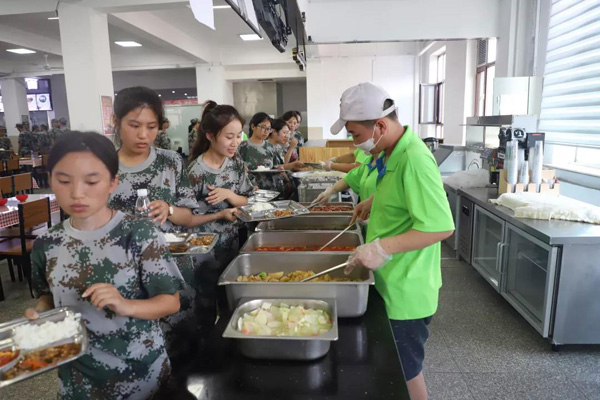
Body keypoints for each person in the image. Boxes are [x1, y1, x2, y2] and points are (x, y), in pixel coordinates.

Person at [27, 131, 183, 399]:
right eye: (63, 181)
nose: (77, 193)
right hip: (78, 383)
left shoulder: (139, 233)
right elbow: (47, 296)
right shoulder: (46, 244)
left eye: (91, 181)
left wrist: (125, 305)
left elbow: (171, 302)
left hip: (142, 378)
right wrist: (39, 315)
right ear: (50, 180)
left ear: (113, 183)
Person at [332, 82, 454, 400]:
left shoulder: (414, 158)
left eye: (356, 135)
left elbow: (441, 227)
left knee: (405, 373)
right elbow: (404, 196)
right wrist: (374, 201)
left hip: (407, 290)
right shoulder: (391, 152)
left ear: (381, 126)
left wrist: (381, 247)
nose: (355, 143)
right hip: (391, 282)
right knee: (391, 368)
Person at [107, 86, 219, 366]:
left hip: (173, 274)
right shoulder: (104, 168)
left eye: (151, 126)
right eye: (134, 125)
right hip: (125, 280)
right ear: (116, 121)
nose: (143, 135)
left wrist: (168, 209)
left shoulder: (171, 162)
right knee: (136, 359)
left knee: (183, 357)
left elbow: (189, 217)